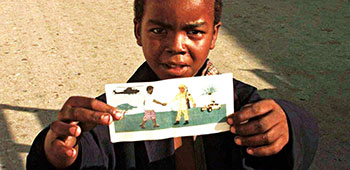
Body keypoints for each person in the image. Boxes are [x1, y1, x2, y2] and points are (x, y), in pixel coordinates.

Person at [27, 0, 318, 169]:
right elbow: (83, 153)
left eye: (194, 31)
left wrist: (286, 125)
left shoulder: (242, 106)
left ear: (214, 35)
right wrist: (57, 153)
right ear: (137, 31)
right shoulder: (112, 114)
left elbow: (299, 133)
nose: (176, 46)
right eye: (158, 30)